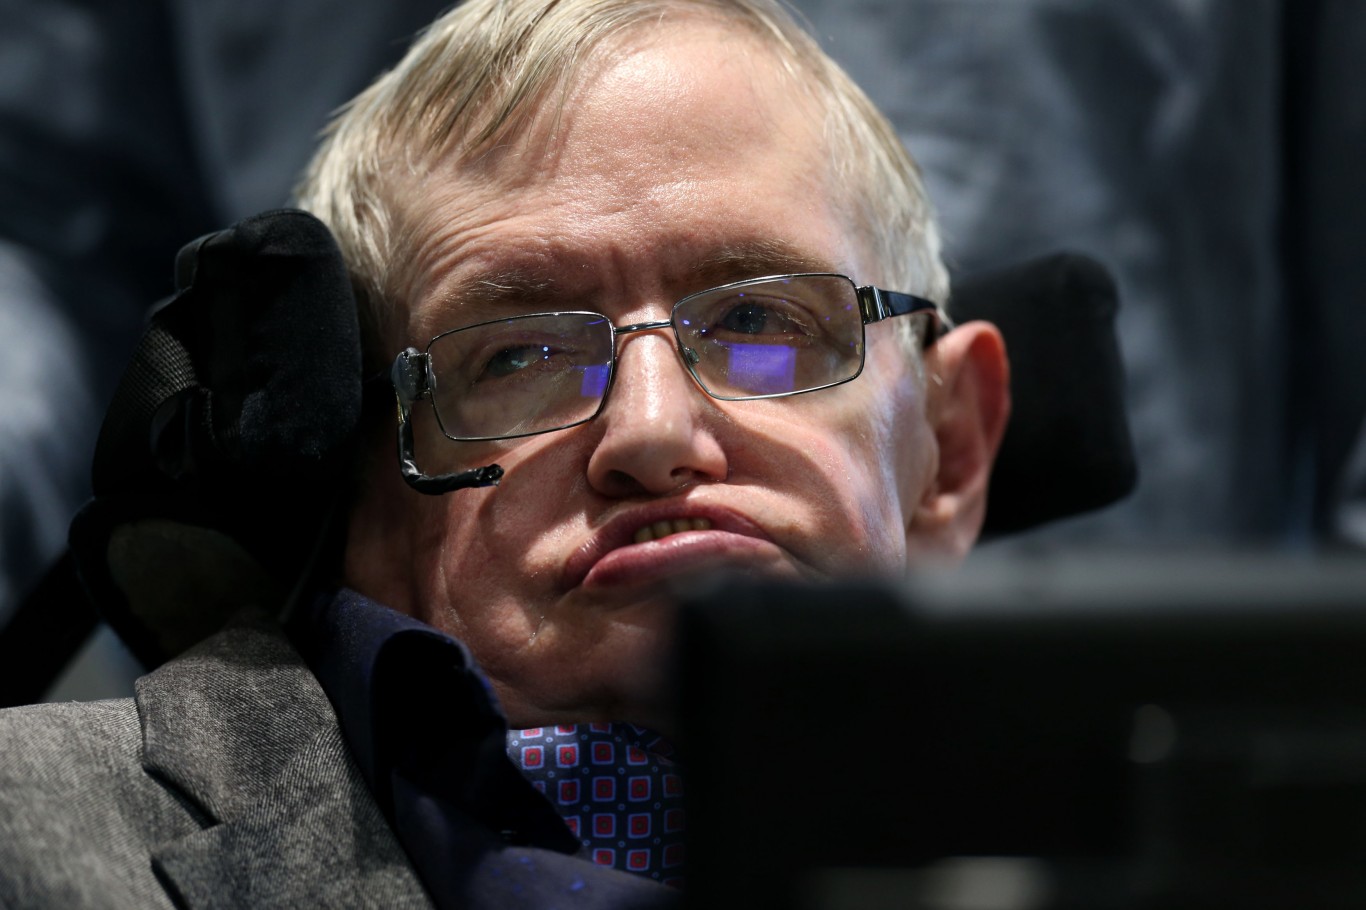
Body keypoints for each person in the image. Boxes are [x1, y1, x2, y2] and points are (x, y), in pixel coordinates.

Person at [0, 0, 1009, 905]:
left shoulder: (1149, 830)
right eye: (518, 356)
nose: (651, 432)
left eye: (758, 322)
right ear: (358, 479)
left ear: (950, 448)